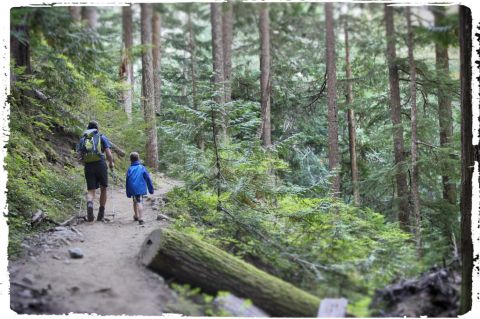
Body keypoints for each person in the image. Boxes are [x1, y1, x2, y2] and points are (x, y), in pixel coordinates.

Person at [76, 121, 114, 222]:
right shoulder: (101, 137)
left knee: (91, 190)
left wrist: (85, 163)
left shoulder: (83, 139)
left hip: (88, 166)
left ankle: (89, 203)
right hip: (101, 164)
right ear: (97, 128)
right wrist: (111, 164)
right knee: (103, 188)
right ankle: (101, 213)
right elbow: (109, 154)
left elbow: (79, 156)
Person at [126, 152, 154, 225]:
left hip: (132, 188)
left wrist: (128, 192)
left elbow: (127, 180)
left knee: (135, 201)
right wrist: (151, 189)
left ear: (130, 160)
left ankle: (136, 216)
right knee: (139, 202)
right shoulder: (142, 168)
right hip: (140, 188)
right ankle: (141, 218)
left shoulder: (130, 169)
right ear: (138, 159)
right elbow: (148, 178)